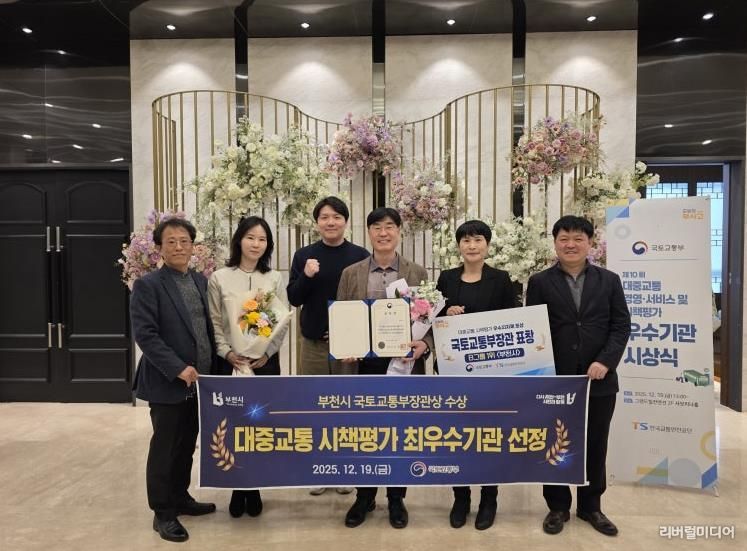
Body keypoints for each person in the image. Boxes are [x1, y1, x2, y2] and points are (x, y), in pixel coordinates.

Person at [526, 215, 630, 537]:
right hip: (554, 381)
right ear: (555, 243)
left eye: (578, 238)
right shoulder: (540, 282)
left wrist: (605, 361)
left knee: (595, 444)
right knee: (554, 443)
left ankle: (591, 506)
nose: (570, 245)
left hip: (598, 380)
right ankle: (557, 506)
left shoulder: (609, 280)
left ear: (590, 243)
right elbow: (534, 330)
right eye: (564, 239)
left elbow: (621, 326)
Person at [336, 207, 433, 530]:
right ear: (368, 233)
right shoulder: (351, 273)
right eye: (376, 227)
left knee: (400, 432)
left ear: (399, 231)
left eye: (389, 226)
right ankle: (364, 496)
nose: (383, 232)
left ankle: (396, 497)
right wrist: (345, 345)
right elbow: (343, 317)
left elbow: (430, 322)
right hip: (364, 367)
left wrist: (425, 344)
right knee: (365, 433)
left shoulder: (417, 272)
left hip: (403, 365)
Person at [131, 217, 222, 543]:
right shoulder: (148, 285)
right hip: (168, 382)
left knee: (186, 444)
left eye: (185, 241)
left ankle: (180, 497)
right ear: (160, 248)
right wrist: (178, 368)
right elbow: (146, 334)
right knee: (165, 447)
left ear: (193, 246)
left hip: (200, 382)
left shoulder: (200, 281)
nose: (179, 247)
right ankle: (163, 512)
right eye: (171, 242)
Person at [435, 219, 518, 530]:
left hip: (490, 372)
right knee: (456, 436)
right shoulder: (446, 278)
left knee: (488, 436)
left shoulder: (501, 279)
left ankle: (488, 498)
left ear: (487, 244)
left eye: (478, 240)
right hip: (452, 371)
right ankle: (461, 497)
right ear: (459, 246)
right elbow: (430, 320)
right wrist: (444, 313)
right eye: (466, 240)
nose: (472, 246)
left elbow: (512, 321)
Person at [208, 216, 289, 518]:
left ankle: (254, 486)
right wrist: (226, 352)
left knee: (259, 426)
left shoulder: (274, 278)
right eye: (251, 237)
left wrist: (268, 352)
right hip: (230, 363)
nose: (256, 244)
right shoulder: (219, 277)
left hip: (263, 363)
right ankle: (236, 486)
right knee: (232, 426)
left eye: (262, 239)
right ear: (239, 240)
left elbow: (282, 320)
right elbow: (215, 321)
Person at [286, 196, 368, 496]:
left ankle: (344, 469)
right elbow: (294, 298)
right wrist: (307, 276)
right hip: (313, 343)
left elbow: (365, 301)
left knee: (347, 407)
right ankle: (319, 469)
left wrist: (352, 336)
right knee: (314, 405)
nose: (330, 222)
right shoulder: (304, 256)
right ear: (317, 222)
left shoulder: (360, 255)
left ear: (345, 221)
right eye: (324, 217)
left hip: (348, 347)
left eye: (336, 217)